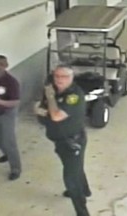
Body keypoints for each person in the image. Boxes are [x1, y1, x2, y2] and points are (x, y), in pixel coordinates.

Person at [35, 65, 91, 216]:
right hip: (59, 140)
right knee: (74, 166)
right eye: (57, 76)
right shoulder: (51, 90)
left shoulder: (74, 95)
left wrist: (50, 100)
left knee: (71, 180)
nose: (59, 79)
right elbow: (39, 110)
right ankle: (85, 190)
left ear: (71, 78)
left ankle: (82, 212)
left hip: (72, 142)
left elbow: (56, 116)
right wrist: (47, 110)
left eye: (64, 76)